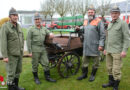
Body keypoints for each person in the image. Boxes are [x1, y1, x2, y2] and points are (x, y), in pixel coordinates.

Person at [102, 6, 130, 90]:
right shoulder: (110, 23)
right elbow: (108, 38)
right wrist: (105, 48)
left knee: (116, 69)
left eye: (116, 13)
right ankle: (111, 82)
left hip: (117, 51)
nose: (114, 15)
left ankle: (116, 86)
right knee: (109, 67)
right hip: (109, 50)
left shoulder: (123, 23)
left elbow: (127, 38)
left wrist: (124, 50)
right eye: (112, 13)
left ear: (119, 14)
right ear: (110, 14)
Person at [77, 6, 105, 82]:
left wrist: (101, 45)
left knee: (96, 62)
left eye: (92, 12)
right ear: (87, 13)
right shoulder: (85, 21)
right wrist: (79, 29)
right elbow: (85, 30)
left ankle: (92, 75)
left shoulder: (99, 21)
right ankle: (84, 74)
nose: (90, 13)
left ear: (94, 13)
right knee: (84, 61)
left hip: (95, 46)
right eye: (89, 12)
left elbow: (102, 34)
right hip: (86, 45)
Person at [26, 12, 56, 84]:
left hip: (42, 49)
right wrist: (30, 52)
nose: (37, 21)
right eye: (36, 19)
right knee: (35, 64)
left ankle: (48, 77)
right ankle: (36, 78)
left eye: (38, 19)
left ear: (40, 20)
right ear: (34, 20)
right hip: (35, 49)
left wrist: (51, 34)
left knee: (46, 62)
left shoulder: (44, 28)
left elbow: (49, 33)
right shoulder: (31, 29)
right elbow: (28, 40)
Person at [0, 8, 25, 90]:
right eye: (13, 15)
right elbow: (3, 42)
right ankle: (10, 88)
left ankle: (16, 86)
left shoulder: (19, 26)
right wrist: (5, 56)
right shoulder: (5, 27)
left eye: (16, 15)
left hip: (19, 53)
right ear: (9, 16)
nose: (15, 17)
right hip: (11, 55)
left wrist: (22, 51)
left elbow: (21, 38)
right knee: (11, 73)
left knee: (17, 72)